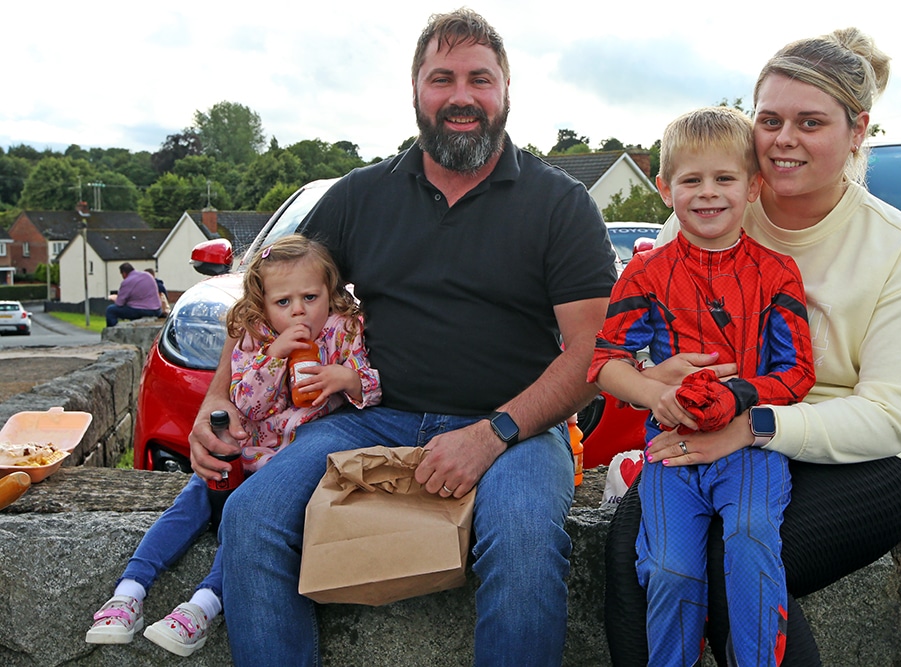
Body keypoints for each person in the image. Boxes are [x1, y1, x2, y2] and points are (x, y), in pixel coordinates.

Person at [187, 9, 617, 667]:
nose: (462, 96)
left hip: (514, 426)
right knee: (252, 517)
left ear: (506, 91)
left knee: (527, 540)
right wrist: (216, 403)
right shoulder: (360, 196)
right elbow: (260, 301)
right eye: (442, 79)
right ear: (416, 91)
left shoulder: (560, 204)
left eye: (480, 78)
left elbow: (594, 351)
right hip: (369, 414)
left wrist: (492, 432)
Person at [603, 28, 901, 666]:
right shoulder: (711, 204)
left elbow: (890, 417)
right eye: (770, 119)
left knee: (735, 563)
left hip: (862, 457)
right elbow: (645, 335)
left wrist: (752, 427)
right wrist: (666, 373)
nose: (784, 139)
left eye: (810, 122)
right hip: (721, 425)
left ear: (857, 130)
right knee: (635, 552)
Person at [590, 107, 815, 667]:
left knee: (750, 537)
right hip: (672, 445)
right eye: (691, 180)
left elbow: (798, 372)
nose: (708, 193)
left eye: (724, 179)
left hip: (749, 446)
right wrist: (655, 394)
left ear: (754, 187)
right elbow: (604, 361)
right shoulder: (644, 274)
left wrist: (739, 395)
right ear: (665, 188)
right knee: (667, 568)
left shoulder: (777, 272)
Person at [86, 234, 381, 657]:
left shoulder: (343, 328)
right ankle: (128, 591)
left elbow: (372, 387)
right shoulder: (255, 335)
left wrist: (346, 378)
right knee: (190, 503)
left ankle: (202, 607)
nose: (299, 310)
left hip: (291, 462)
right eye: (284, 302)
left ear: (330, 292)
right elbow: (245, 402)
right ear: (263, 304)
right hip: (245, 450)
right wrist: (274, 356)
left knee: (248, 524)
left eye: (310, 297)